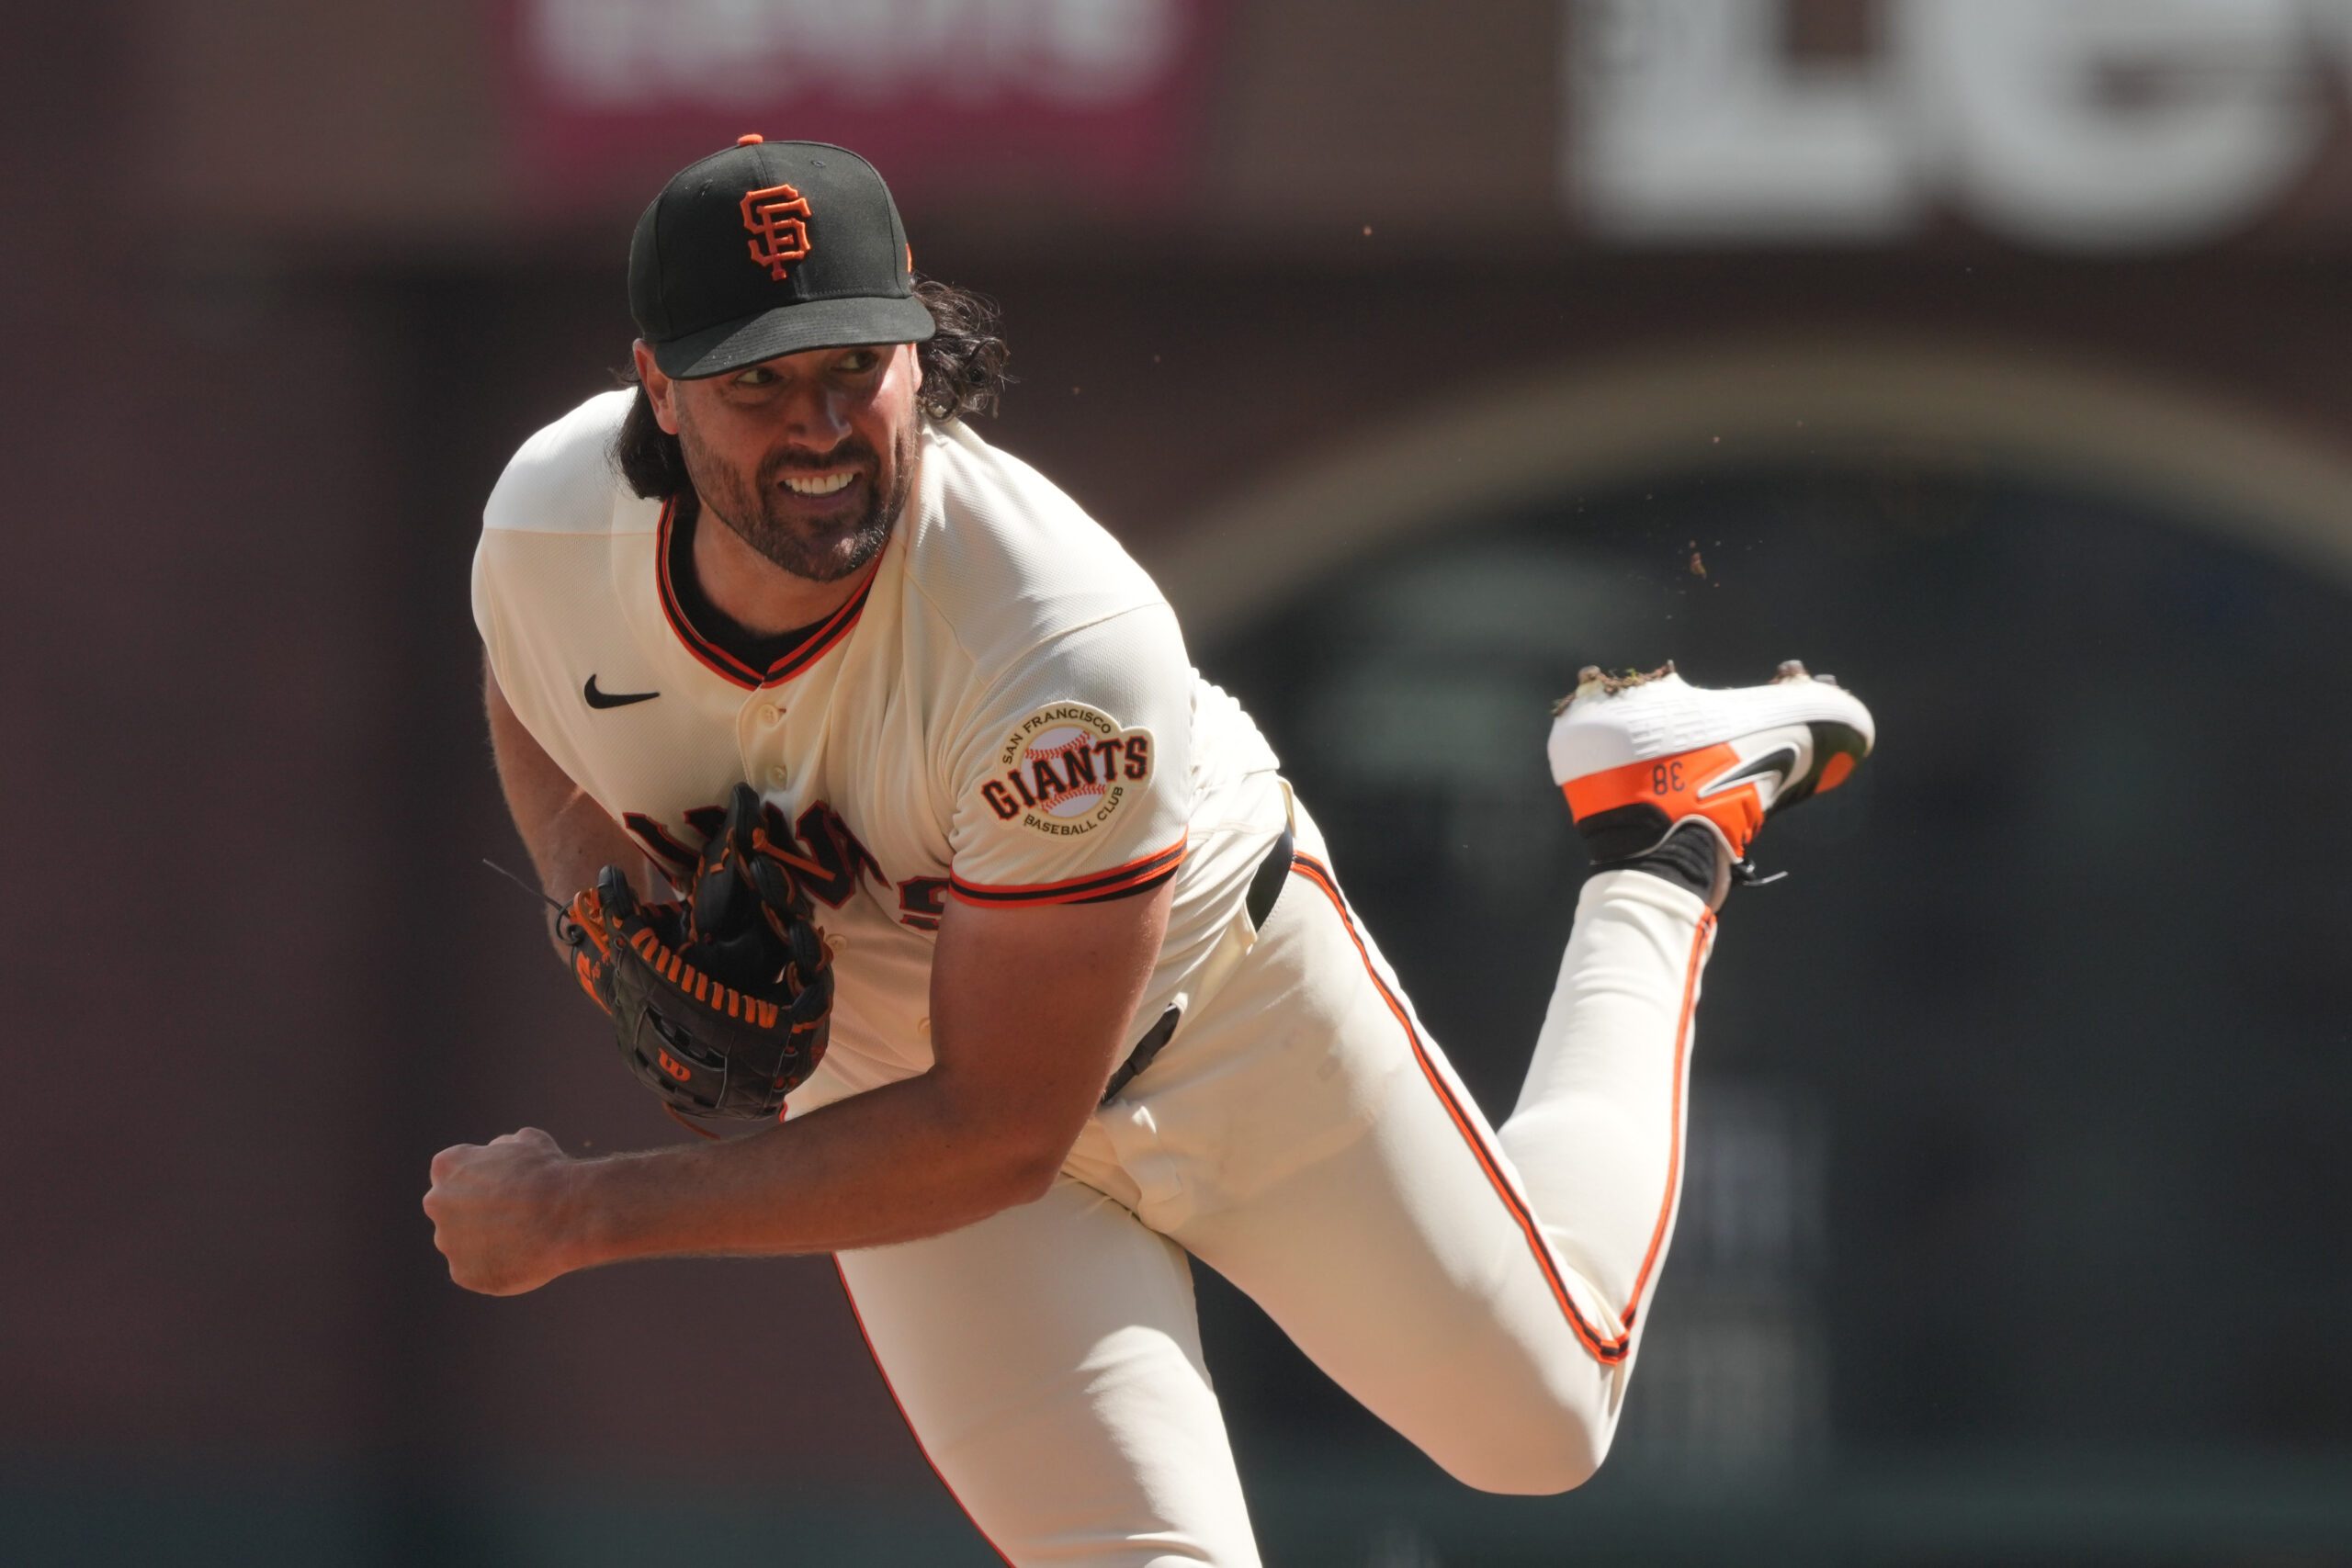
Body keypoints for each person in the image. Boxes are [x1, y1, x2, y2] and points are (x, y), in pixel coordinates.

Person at [424, 137, 1875, 1567]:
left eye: (854, 366)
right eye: (757, 381)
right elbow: (531, 679)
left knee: (1541, 1430)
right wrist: (584, 887)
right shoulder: (551, 531)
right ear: (658, 391)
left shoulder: (1051, 636)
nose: (817, 427)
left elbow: (1000, 1129)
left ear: (920, 358)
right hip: (893, 1098)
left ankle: (1663, 836)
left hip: (1219, 1023)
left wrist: (583, 1211)